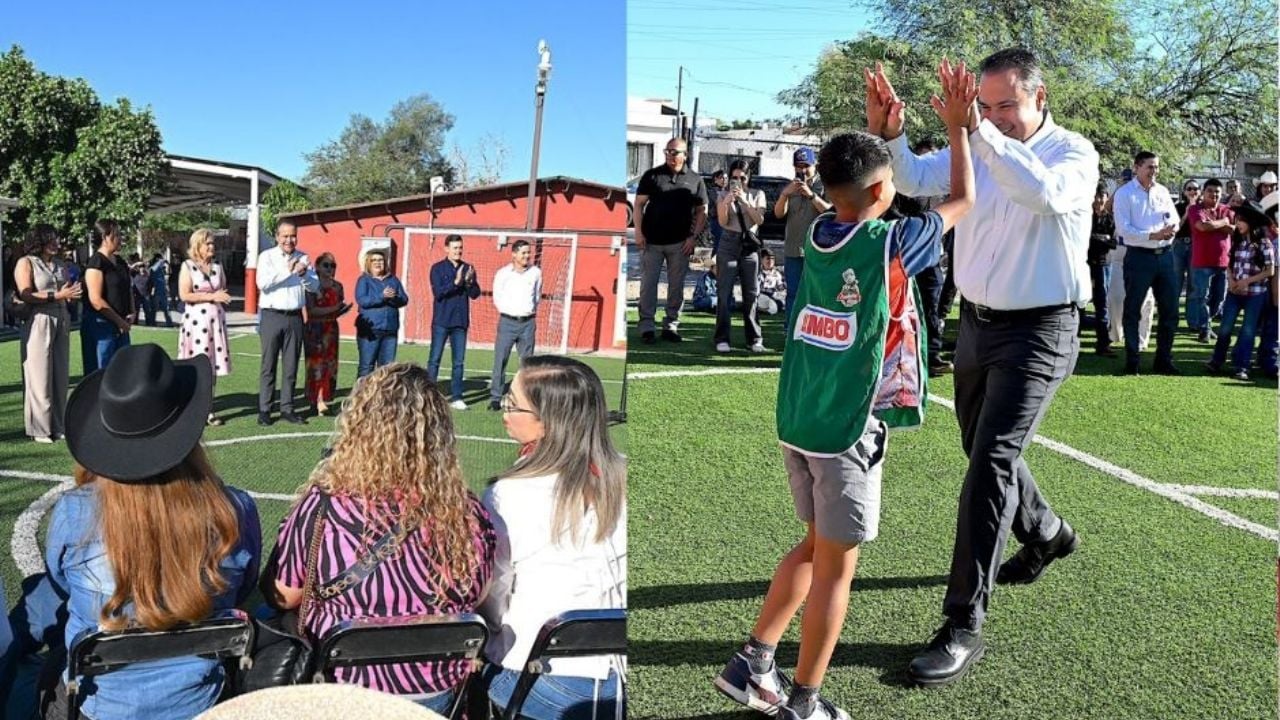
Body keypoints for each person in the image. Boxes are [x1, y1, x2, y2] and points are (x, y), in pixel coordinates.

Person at [715, 63, 977, 720]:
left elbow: (863, 190)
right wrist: (955, 129)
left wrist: (876, 136)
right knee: (838, 566)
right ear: (884, 187)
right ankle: (804, 700)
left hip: (800, 419)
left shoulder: (822, 231)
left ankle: (752, 659)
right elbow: (964, 198)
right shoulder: (890, 243)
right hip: (846, 426)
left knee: (813, 546)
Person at [869, 48, 1098, 687]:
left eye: (1005, 104)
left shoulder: (1071, 154)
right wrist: (892, 133)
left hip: (1043, 328)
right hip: (976, 325)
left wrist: (978, 131)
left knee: (990, 462)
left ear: (1039, 97)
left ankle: (962, 625)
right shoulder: (980, 142)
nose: (991, 115)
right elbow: (913, 178)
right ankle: (1047, 532)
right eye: (984, 103)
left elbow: (1045, 196)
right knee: (980, 445)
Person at [37, 343, 261, 720]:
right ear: (189, 433)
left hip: (99, 705)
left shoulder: (74, 514)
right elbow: (244, 587)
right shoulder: (235, 510)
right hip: (201, 702)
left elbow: (61, 583)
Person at [264, 363, 496, 714]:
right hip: (434, 691)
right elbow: (478, 594)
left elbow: (285, 595)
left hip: (343, 686)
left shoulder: (327, 506)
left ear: (359, 428)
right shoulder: (466, 512)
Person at [480, 356, 627, 720]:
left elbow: (492, 597)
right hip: (616, 674)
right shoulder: (623, 473)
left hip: (536, 674)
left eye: (512, 403)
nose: (503, 408)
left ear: (547, 422)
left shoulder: (509, 492)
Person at [1112, 151, 1183, 374]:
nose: (1154, 171)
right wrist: (1153, 235)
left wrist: (1169, 231)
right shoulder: (1125, 194)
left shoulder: (1162, 191)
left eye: (1157, 167)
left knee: (1170, 311)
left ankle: (1163, 359)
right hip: (1139, 256)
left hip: (1165, 256)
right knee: (1133, 309)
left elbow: (1175, 220)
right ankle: (1132, 359)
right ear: (1137, 167)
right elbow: (1124, 231)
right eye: (1150, 167)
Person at [635, 137, 709, 344]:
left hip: (680, 244)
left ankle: (671, 325)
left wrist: (693, 237)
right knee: (648, 285)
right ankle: (647, 327)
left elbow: (702, 211)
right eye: (667, 151)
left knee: (676, 287)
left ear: (685, 155)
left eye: (674, 152)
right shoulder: (652, 176)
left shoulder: (695, 179)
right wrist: (639, 233)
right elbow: (639, 204)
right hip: (652, 242)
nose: (670, 155)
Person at [14, 225, 80, 443]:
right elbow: (26, 294)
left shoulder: (60, 264)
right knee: (39, 375)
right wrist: (57, 294)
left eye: (56, 238)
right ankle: (39, 429)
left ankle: (58, 425)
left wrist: (71, 294)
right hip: (39, 318)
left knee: (60, 374)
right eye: (50, 239)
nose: (56, 243)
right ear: (39, 241)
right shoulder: (26, 262)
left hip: (61, 318)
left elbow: (67, 289)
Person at [255, 220, 318, 426]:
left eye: (292, 236)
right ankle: (265, 409)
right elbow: (263, 283)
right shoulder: (267, 257)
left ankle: (287, 408)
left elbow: (315, 286)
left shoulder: (304, 257)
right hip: (272, 315)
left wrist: (303, 273)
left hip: (295, 316)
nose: (289, 240)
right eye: (285, 236)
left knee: (291, 366)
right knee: (268, 364)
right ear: (277, 236)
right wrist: (288, 270)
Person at [1205, 200, 1275, 380]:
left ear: (1252, 222)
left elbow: (1270, 270)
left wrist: (1246, 282)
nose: (1237, 223)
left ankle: (1242, 366)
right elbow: (1229, 264)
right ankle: (1216, 361)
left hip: (1256, 294)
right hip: (1234, 293)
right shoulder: (1237, 241)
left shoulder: (1265, 244)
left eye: (1242, 220)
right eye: (1237, 219)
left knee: (1248, 330)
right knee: (1225, 328)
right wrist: (1231, 279)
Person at [178, 229, 233, 426]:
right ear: (197, 245)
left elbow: (222, 290)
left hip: (215, 323)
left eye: (212, 243)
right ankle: (192, 407)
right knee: (197, 365)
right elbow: (184, 295)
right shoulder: (188, 266)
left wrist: (220, 297)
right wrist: (211, 297)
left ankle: (209, 409)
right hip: (196, 324)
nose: (212, 246)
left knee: (212, 366)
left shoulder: (218, 267)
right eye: (207, 243)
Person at [713, 159, 769, 353]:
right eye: (735, 178)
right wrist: (727, 202)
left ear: (749, 178)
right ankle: (722, 338)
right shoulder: (722, 194)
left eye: (742, 178)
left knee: (751, 294)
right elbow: (722, 221)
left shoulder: (757, 194)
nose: (738, 182)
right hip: (728, 243)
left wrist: (745, 201)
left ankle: (754, 338)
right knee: (724, 292)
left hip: (749, 246)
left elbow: (759, 220)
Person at [773, 147, 831, 329]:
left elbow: (831, 212)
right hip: (793, 248)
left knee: (816, 293)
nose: (802, 170)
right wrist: (785, 194)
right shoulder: (791, 187)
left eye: (806, 166)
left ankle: (814, 331)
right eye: (798, 166)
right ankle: (791, 329)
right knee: (793, 293)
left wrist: (812, 195)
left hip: (817, 249)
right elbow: (778, 214)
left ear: (815, 166)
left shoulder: (825, 185)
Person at [427, 234, 481, 409]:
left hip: (460, 322)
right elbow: (439, 293)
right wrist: (456, 283)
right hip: (442, 321)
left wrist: (470, 283)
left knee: (458, 362)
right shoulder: (437, 268)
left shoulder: (468, 268)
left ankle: (457, 397)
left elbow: (475, 294)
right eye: (455, 248)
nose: (458, 251)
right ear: (446, 249)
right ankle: (428, 395)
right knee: (435, 359)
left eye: (460, 248)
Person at [488, 240, 543, 411]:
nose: (527, 256)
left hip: (527, 322)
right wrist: (508, 311)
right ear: (514, 254)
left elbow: (537, 296)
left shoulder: (536, 273)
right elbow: (497, 296)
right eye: (523, 253)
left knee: (527, 363)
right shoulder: (503, 274)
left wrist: (527, 311)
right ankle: (496, 397)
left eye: (528, 253)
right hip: (507, 322)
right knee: (500, 360)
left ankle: (525, 398)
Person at [81, 219, 135, 374]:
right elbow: (96, 300)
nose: (120, 239)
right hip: (101, 326)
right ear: (105, 237)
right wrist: (119, 321)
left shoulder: (120, 261)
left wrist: (131, 311)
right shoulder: (96, 262)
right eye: (116, 235)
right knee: (101, 371)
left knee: (122, 371)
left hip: (121, 325)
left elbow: (127, 288)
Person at [1187, 178, 1233, 342]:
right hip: (1202, 261)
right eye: (1210, 191)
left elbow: (1235, 230)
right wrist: (1223, 223)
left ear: (1222, 194)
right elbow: (1202, 227)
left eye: (1217, 192)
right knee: (1202, 296)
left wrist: (1215, 224)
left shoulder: (1227, 210)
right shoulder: (1195, 209)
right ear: (1204, 192)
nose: (1214, 194)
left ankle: (1207, 323)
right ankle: (1205, 329)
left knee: (1219, 298)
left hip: (1223, 262)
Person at [306, 252, 347, 414]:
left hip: (331, 328)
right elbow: (312, 310)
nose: (330, 268)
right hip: (314, 328)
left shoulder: (338, 287)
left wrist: (340, 310)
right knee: (315, 365)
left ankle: (324, 398)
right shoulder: (312, 285)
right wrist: (334, 309)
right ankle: (315, 400)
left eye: (333, 265)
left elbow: (336, 309)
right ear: (317, 267)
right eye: (326, 265)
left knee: (330, 365)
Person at [1088, 186, 1118, 355]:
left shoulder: (1110, 220)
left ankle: (1102, 343)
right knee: (1079, 303)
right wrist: (1102, 239)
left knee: (1102, 304)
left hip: (1103, 264)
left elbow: (1114, 242)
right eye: (1097, 196)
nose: (1099, 200)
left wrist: (1099, 239)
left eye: (1102, 197)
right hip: (1085, 263)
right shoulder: (1085, 217)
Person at [1172, 179, 1200, 326]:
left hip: (1196, 246)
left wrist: (1195, 210)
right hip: (1179, 245)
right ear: (1184, 192)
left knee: (1193, 284)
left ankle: (1193, 321)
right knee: (1176, 283)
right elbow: (1175, 227)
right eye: (1189, 189)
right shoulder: (1178, 206)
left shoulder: (1202, 208)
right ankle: (1173, 319)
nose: (1192, 192)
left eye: (1195, 189)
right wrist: (1187, 212)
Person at [756, 249, 787, 315]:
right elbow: (757, 289)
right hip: (761, 296)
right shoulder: (758, 272)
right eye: (768, 259)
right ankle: (758, 309)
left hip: (774, 296)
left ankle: (763, 309)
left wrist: (784, 286)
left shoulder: (777, 273)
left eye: (772, 259)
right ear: (762, 260)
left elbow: (780, 287)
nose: (770, 261)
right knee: (770, 304)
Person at [149, 253, 174, 327]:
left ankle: (169, 323)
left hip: (163, 291)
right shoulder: (153, 267)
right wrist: (161, 261)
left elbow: (170, 272)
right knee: (154, 309)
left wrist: (168, 264)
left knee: (166, 308)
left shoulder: (161, 269)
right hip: (156, 291)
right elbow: (153, 270)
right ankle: (152, 323)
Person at [708, 169, 728, 252]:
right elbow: (718, 203)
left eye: (726, 178)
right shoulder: (713, 191)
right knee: (719, 241)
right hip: (717, 220)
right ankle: (715, 259)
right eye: (721, 178)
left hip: (727, 220)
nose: (724, 180)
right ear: (715, 180)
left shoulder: (729, 191)